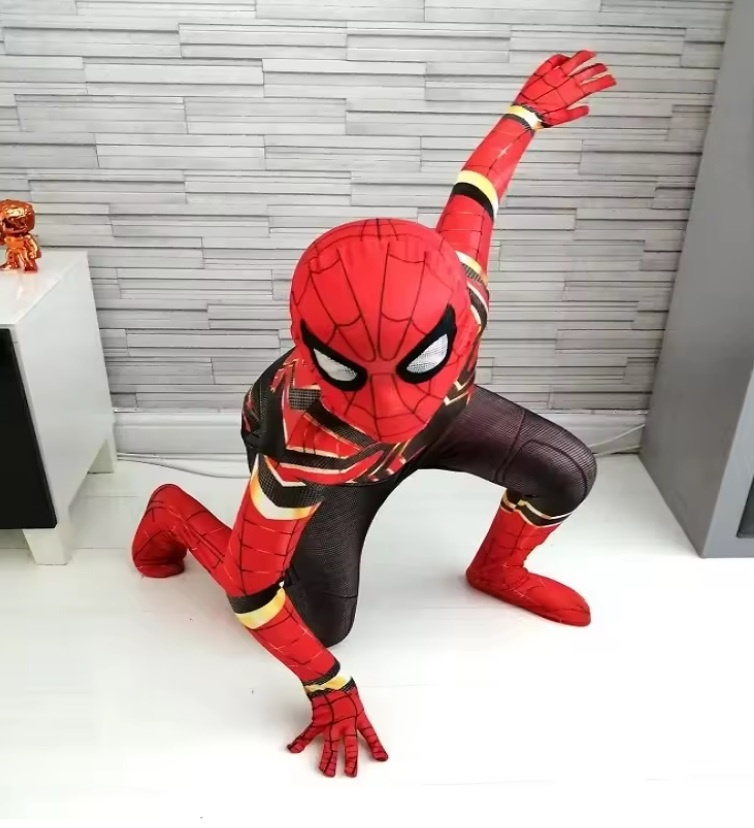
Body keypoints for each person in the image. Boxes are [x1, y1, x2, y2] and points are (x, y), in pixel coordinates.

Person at [132, 51, 616, 778]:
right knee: (321, 623)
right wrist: (328, 684)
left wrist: (525, 115)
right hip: (339, 460)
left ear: (458, 318)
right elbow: (250, 588)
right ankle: (173, 511)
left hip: (445, 418)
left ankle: (499, 569)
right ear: (307, 346)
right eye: (346, 368)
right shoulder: (298, 444)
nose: (388, 411)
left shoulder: (463, 288)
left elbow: (478, 191)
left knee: (567, 469)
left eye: (421, 358)